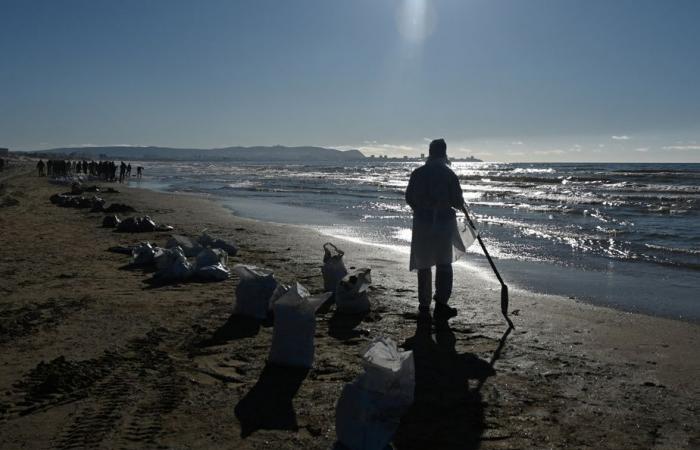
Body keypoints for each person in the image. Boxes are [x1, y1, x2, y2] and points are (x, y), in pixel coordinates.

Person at [405, 139, 467, 321]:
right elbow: (457, 201)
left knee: (424, 264)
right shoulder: (449, 174)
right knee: (444, 263)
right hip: (444, 224)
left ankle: (424, 305)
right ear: (444, 153)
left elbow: (409, 198)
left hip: (422, 224)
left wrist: (421, 208)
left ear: (430, 152)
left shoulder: (418, 173)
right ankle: (441, 304)